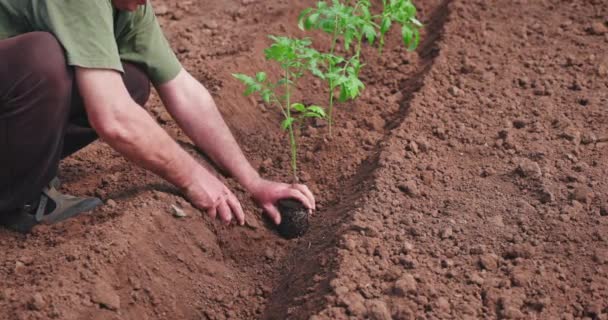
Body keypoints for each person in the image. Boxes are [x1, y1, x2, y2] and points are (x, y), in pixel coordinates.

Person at [0, 0, 316, 233]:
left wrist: (254, 182)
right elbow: (113, 118)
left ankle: (23, 174)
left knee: (131, 82)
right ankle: (17, 199)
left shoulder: (128, 7)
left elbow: (184, 91)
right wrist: (192, 177)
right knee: (42, 61)